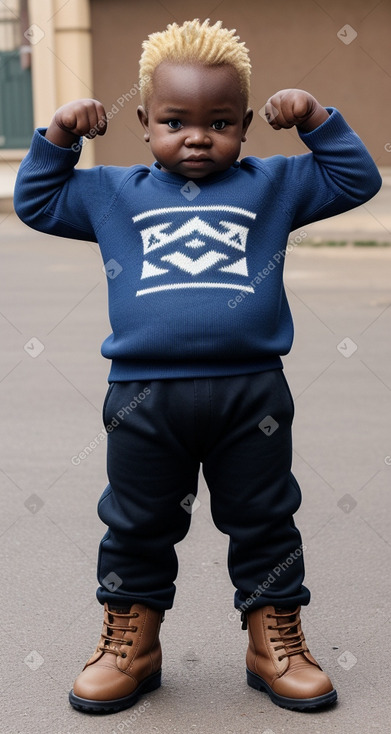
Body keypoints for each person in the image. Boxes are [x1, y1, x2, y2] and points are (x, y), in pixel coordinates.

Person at [14, 18, 381, 716]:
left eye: (218, 122)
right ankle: (134, 643)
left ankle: (272, 640)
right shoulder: (110, 192)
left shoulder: (273, 183)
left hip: (253, 395)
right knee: (135, 522)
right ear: (145, 121)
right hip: (142, 398)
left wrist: (314, 117)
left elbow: (355, 180)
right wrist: (59, 135)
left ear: (243, 125)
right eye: (175, 121)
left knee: (265, 520)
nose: (196, 136)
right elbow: (35, 201)